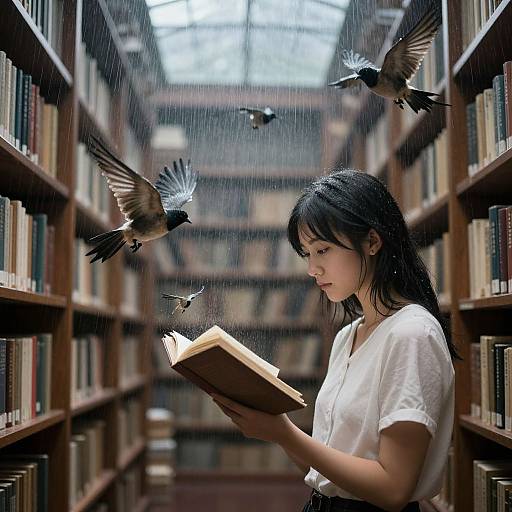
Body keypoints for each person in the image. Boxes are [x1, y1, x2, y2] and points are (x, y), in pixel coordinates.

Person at [212, 169, 458, 512]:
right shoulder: (348, 336)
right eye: (307, 254)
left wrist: (285, 433)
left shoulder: (412, 334)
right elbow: (324, 471)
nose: (312, 269)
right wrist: (273, 427)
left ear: (372, 242)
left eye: (323, 250)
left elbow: (393, 489)